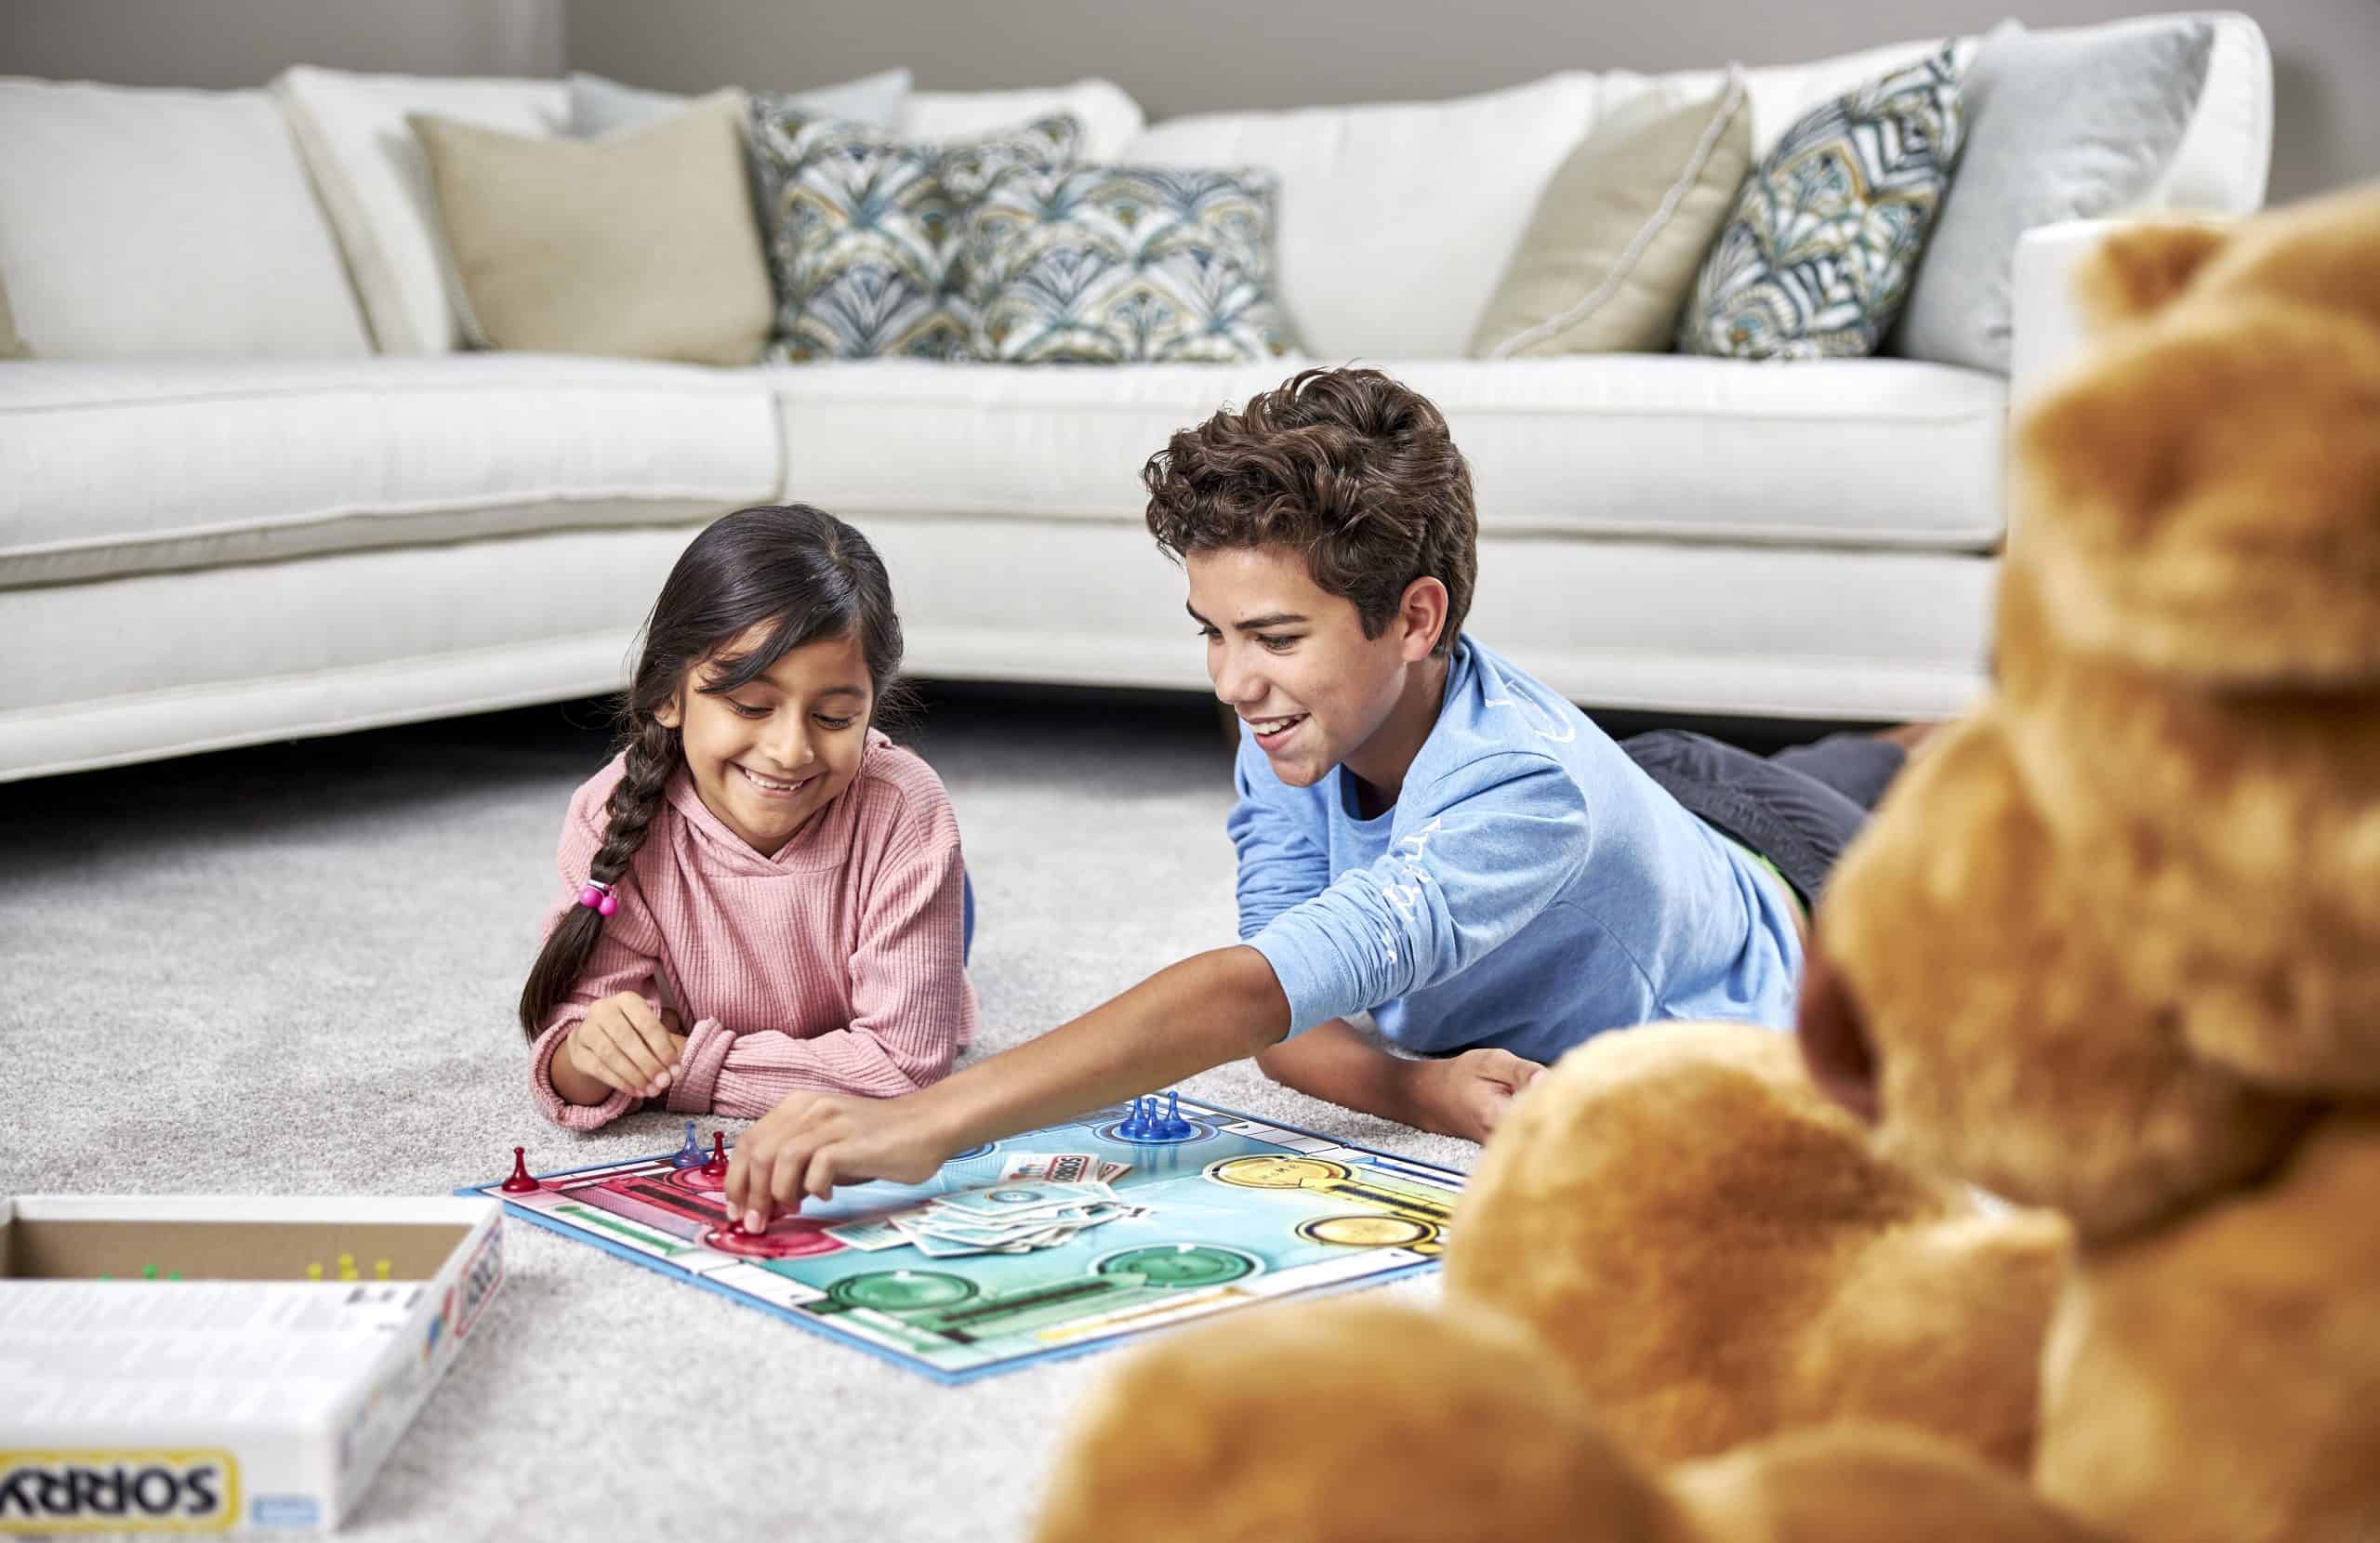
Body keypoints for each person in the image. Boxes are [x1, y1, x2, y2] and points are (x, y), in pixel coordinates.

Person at [721, 369, 1917, 1227]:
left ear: (1415, 616)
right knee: (1742, 767)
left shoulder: (1525, 791)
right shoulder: (1297, 723)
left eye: (1276, 636)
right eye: (1213, 635)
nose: (1235, 681)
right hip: (1639, 801)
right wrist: (1418, 1090)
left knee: (1953, 794)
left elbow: (1248, 998)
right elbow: (1292, 1021)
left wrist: (933, 1121)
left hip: (1796, 880)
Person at [517, 505, 976, 1129]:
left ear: (870, 707)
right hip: (844, 892)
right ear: (668, 695)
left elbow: (903, 1072)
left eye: (836, 717)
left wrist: (690, 1064)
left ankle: (947, 894)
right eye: (751, 705)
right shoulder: (610, 815)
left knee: (933, 880)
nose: (791, 750)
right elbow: (573, 1050)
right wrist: (594, 1053)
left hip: (889, 865)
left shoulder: (905, 813)